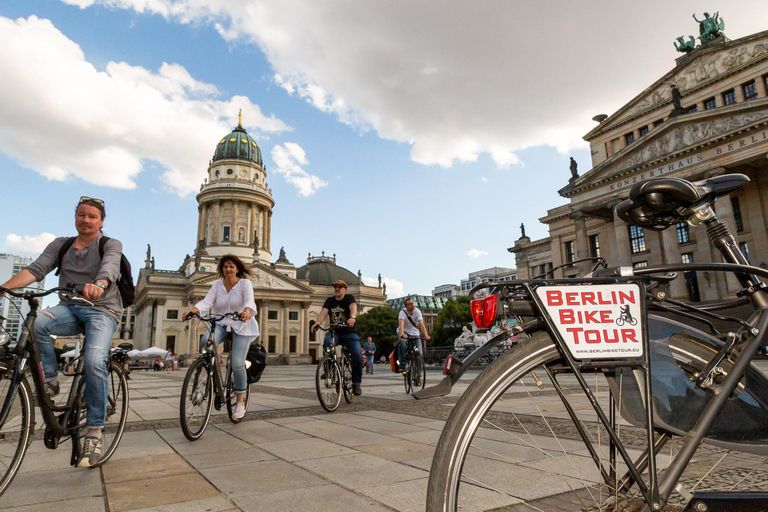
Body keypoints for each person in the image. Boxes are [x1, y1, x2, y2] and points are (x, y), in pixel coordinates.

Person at [0, 196, 123, 468]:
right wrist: (5, 287)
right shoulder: (61, 245)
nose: (86, 220)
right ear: (75, 217)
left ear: (101, 221)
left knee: (93, 361)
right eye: (82, 215)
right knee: (37, 323)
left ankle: (94, 432)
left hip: (102, 309)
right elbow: (36, 269)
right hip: (69, 306)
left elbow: (110, 267)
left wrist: (99, 283)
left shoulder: (109, 244)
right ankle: (50, 379)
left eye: (92, 216)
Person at [182, 254, 258, 422]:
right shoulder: (217, 286)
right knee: (205, 341)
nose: (228, 269)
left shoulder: (245, 284)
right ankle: (210, 370)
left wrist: (246, 311)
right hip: (221, 323)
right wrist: (193, 310)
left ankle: (239, 402)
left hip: (241, 325)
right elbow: (205, 302)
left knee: (237, 363)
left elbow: (250, 301)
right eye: (225, 267)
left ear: (237, 268)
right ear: (221, 269)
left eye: (231, 266)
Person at [311, 280, 363, 396]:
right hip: (335, 332)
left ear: (345, 289)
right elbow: (323, 313)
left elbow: (353, 307)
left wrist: (352, 317)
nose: (337, 289)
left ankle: (356, 383)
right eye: (335, 287)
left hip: (349, 332)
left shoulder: (349, 298)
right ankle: (330, 372)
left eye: (340, 287)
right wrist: (317, 323)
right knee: (327, 344)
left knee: (357, 356)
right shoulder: (330, 301)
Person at [397, 298, 431, 374]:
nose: (412, 305)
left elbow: (422, 324)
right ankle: (402, 364)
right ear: (406, 306)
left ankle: (417, 375)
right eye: (410, 304)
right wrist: (402, 335)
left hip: (414, 332)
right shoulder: (402, 312)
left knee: (419, 353)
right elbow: (401, 325)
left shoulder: (417, 311)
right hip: (404, 331)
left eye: (413, 303)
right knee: (402, 342)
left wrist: (426, 335)